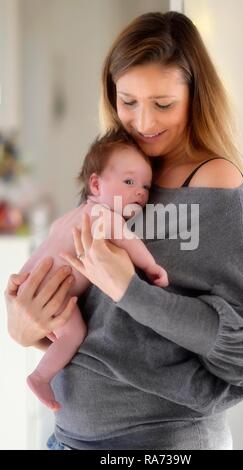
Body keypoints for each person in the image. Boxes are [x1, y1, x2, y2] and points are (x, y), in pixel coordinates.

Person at [5, 11, 243, 450]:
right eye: (128, 100)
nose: (144, 122)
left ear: (196, 95)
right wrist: (24, 328)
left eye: (163, 104)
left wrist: (129, 288)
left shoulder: (213, 182)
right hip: (66, 438)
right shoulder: (118, 170)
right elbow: (96, 324)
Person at [17, 130, 168, 411]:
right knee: (74, 333)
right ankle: (41, 376)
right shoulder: (103, 215)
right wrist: (151, 265)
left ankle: (51, 347)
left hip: (31, 281)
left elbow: (44, 247)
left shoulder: (67, 218)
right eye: (129, 181)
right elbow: (128, 240)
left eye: (146, 187)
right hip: (54, 292)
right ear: (96, 185)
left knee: (61, 331)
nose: (139, 191)